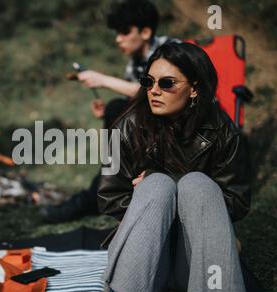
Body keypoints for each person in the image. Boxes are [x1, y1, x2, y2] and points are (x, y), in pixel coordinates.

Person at [98, 42, 251, 292]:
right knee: (156, 186)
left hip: (196, 262)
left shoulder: (223, 131)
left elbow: (237, 200)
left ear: (194, 89)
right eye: (148, 81)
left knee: (197, 185)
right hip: (145, 264)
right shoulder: (125, 127)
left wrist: (179, 184)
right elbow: (109, 197)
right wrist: (159, 190)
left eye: (167, 83)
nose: (154, 91)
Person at [42, 0, 179, 222]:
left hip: (178, 129)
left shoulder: (172, 51)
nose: (118, 39)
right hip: (151, 131)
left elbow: (161, 93)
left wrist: (103, 80)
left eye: (125, 32)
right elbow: (137, 102)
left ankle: (98, 195)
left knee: (118, 111)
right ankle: (108, 188)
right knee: (116, 110)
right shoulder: (134, 63)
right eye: (117, 33)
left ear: (145, 31)